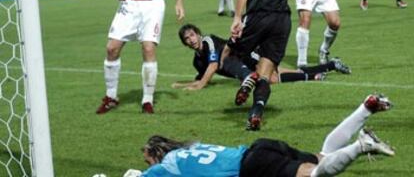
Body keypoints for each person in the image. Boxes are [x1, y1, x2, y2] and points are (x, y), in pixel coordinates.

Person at [126, 94, 394, 177]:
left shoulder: (166, 167)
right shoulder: (190, 149)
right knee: (323, 156)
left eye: (148, 160)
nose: (148, 165)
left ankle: (362, 145)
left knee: (314, 175)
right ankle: (365, 108)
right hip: (258, 149)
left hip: (253, 166)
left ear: (154, 154)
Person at [225, 0, 291, 130]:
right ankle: (256, 112)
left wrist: (237, 17)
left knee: (227, 54)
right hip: (283, 20)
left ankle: (247, 78)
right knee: (266, 72)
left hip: (259, 16)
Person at [173, 24, 350, 91]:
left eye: (192, 35)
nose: (191, 40)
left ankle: (318, 73)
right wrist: (185, 85)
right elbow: (203, 79)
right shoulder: (197, 60)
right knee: (278, 74)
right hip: (244, 63)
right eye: (187, 39)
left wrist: (197, 87)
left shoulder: (208, 41)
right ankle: (329, 66)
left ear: (198, 33)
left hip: (247, 55)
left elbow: (212, 68)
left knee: (271, 78)